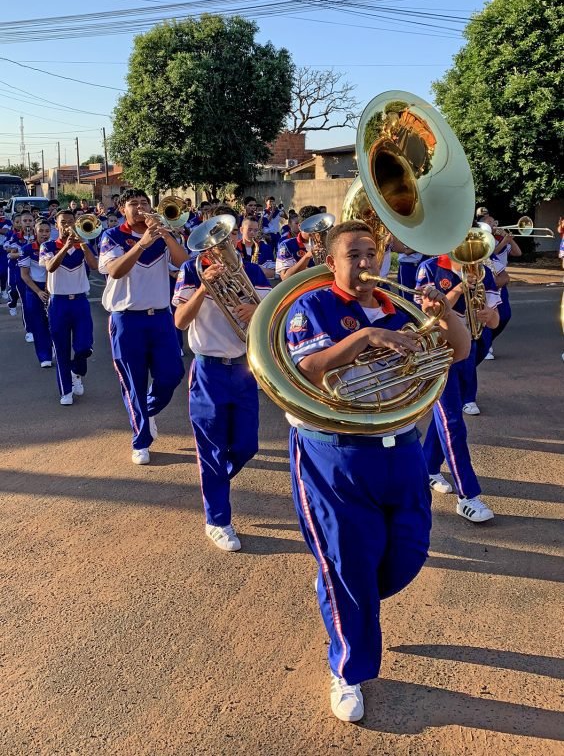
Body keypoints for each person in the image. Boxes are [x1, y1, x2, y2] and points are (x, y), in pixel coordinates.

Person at [284, 220, 469, 722]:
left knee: (409, 550)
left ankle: (342, 593)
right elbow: (309, 369)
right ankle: (349, 668)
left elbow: (460, 351)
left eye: (373, 251)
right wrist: (368, 336)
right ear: (331, 262)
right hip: (335, 452)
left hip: (402, 446)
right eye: (353, 254)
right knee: (348, 563)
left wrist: (444, 314)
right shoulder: (312, 306)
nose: (366, 262)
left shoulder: (399, 306)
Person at [173, 205, 271, 552]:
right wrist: (203, 288)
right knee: (212, 450)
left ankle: (213, 483)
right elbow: (180, 321)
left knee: (247, 446)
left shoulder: (255, 271)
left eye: (225, 236)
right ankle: (218, 520)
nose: (220, 244)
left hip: (244, 368)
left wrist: (258, 309)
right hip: (209, 369)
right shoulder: (190, 270)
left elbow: (272, 320)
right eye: (213, 238)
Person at [98, 189, 187, 464]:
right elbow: (115, 271)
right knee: (133, 383)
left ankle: (145, 414)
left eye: (145, 203)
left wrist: (165, 233)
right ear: (122, 209)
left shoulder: (162, 236)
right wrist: (142, 244)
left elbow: (184, 264)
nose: (140, 208)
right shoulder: (112, 236)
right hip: (126, 318)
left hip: (160, 317)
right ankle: (141, 441)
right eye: (133, 204)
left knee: (172, 374)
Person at [416, 249, 500, 520]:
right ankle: (469, 496)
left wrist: (489, 316)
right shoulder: (429, 268)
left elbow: (495, 320)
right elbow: (425, 313)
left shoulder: (481, 270)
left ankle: (428, 468)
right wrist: (460, 288)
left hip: (467, 352)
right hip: (439, 355)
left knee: (445, 419)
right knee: (453, 422)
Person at [40, 210, 98, 405]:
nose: (67, 225)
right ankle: (65, 391)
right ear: (57, 226)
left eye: (71, 222)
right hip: (58, 303)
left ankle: (77, 371)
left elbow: (95, 265)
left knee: (84, 346)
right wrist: (65, 247)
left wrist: (82, 244)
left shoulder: (83, 245)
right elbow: (50, 267)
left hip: (80, 301)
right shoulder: (47, 246)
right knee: (62, 348)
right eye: (63, 223)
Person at [475, 207, 521, 360]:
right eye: (488, 222)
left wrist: (509, 239)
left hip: (497, 282)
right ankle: (485, 345)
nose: (492, 224)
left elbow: (517, 253)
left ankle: (487, 342)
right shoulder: (486, 241)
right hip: (486, 285)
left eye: (492, 221)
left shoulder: (499, 238)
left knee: (503, 316)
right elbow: (493, 252)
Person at [18, 220, 53, 367]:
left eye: (47, 231)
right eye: (41, 231)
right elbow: (24, 275)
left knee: (54, 322)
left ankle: (54, 347)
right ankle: (44, 356)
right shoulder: (27, 249)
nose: (44, 234)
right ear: (35, 232)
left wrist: (49, 288)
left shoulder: (54, 247)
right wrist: (38, 291)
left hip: (52, 287)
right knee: (38, 323)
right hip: (34, 289)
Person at [275, 205, 321, 280]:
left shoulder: (326, 241)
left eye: (318, 225)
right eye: (310, 226)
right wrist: (307, 256)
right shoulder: (286, 245)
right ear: (300, 226)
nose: (315, 230)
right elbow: (285, 277)